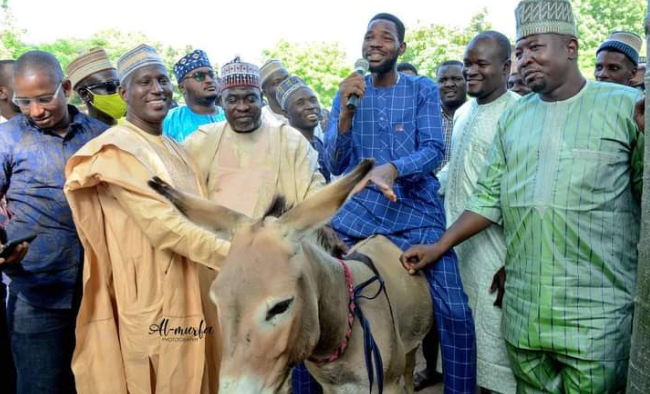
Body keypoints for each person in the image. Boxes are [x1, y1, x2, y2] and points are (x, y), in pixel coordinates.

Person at [402, 0, 644, 392]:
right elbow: (487, 196)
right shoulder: (515, 116)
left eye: (535, 47)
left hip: (596, 319)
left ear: (570, 47)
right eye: (520, 51)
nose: (525, 59)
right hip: (525, 318)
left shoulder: (625, 108)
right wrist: (438, 246)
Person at [64, 44, 230, 394]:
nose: (157, 88)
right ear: (124, 93)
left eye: (162, 79)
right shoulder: (115, 149)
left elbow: (204, 213)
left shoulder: (175, 148)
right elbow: (166, 227)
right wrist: (238, 255)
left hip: (198, 287)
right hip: (150, 297)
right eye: (144, 82)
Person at [325, 13, 476, 393]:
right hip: (358, 212)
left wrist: (393, 169)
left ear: (401, 48)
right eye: (369, 36)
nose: (375, 43)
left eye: (385, 37)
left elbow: (434, 151)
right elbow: (335, 163)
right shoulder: (346, 92)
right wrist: (344, 116)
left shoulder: (422, 90)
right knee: (309, 288)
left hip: (415, 210)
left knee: (455, 310)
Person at [183, 58, 326, 394]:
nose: (242, 107)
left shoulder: (289, 140)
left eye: (250, 97)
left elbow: (312, 193)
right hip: (222, 267)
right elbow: (189, 204)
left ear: (262, 98)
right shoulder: (200, 142)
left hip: (278, 273)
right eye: (233, 100)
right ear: (221, 101)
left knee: (286, 362)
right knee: (231, 361)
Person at [0, 50, 108, 394]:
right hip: (36, 293)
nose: (36, 111)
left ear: (66, 87)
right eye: (25, 102)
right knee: (41, 386)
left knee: (97, 384)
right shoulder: (8, 139)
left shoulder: (101, 136)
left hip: (101, 290)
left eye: (45, 99)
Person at [437, 31, 519, 394]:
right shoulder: (466, 111)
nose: (471, 71)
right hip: (456, 250)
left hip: (495, 254)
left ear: (506, 67)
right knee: (462, 353)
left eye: (481, 64)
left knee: (497, 358)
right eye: (468, 63)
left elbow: (520, 195)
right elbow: (456, 170)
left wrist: (514, 261)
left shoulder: (518, 113)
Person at [163, 49, 225, 142]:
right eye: (199, 76)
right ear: (182, 88)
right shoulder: (170, 120)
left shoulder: (230, 117)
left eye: (211, 74)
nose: (209, 80)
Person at [277, 76, 331, 182]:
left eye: (313, 100)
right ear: (286, 113)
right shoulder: (287, 148)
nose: (310, 106)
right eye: (300, 103)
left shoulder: (318, 142)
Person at [67, 48, 126, 126]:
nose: (119, 92)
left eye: (120, 84)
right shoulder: (85, 136)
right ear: (85, 94)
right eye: (110, 87)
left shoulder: (132, 125)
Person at [435, 60, 467, 173]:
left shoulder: (477, 116)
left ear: (467, 81)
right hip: (429, 188)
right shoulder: (426, 119)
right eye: (442, 80)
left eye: (456, 79)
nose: (449, 84)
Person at [260, 59, 290, 124]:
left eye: (287, 79)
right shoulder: (260, 120)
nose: (285, 84)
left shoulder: (303, 110)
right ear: (265, 93)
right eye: (277, 82)